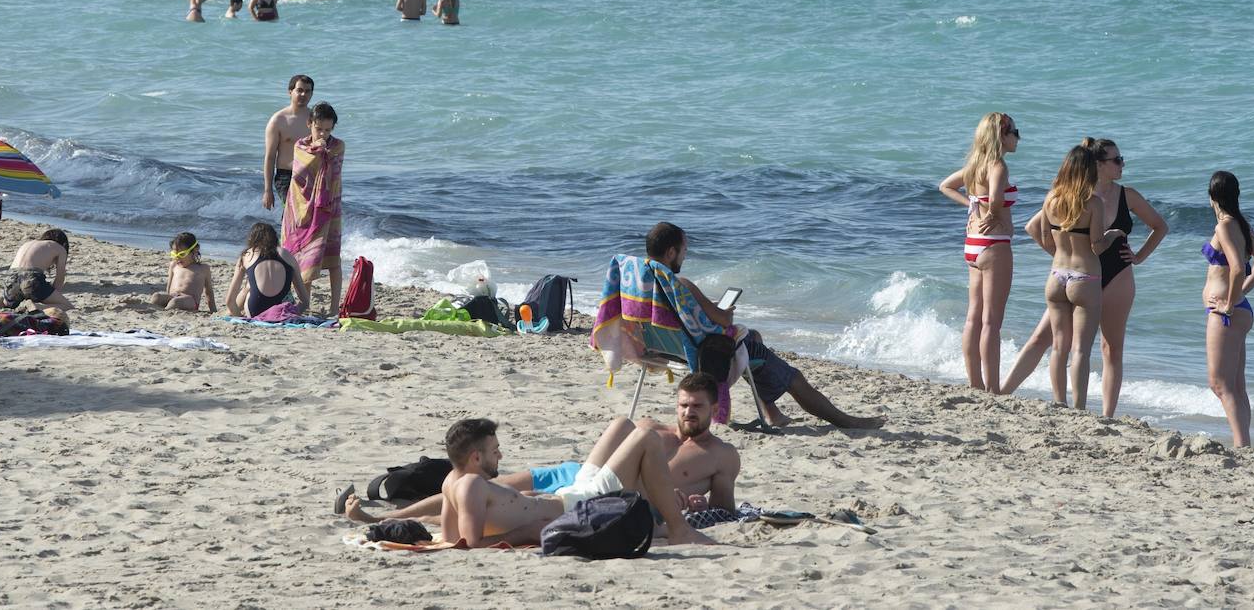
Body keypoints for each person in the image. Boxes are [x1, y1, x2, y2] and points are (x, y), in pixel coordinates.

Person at [344, 373, 741, 525]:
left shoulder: (721, 455)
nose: (688, 413)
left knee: (492, 500)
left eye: (697, 407)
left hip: (618, 493)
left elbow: (725, 509)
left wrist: (698, 507)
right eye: (683, 404)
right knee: (476, 486)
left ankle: (385, 520)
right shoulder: (651, 427)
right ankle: (395, 513)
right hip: (580, 474)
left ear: (714, 409)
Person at [646, 222, 886, 430]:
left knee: (756, 337)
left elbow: (687, 316)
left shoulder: (646, 282)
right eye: (684, 250)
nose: (685, 255)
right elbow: (723, 321)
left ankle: (772, 413)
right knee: (794, 377)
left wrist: (706, 306)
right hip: (710, 353)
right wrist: (724, 311)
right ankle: (847, 421)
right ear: (670, 252)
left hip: (671, 346)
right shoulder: (681, 284)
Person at [1001, 137, 1169, 416]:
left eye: (1121, 159)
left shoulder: (1126, 195)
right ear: (1098, 165)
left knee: (1111, 348)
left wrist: (1139, 257)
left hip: (1116, 275)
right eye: (1116, 160)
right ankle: (1002, 393)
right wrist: (1062, 255)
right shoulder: (1076, 195)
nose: (1122, 164)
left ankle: (1107, 415)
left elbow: (1160, 226)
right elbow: (1033, 227)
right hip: (1083, 275)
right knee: (1043, 339)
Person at [433, 417, 713, 548]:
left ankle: (661, 522)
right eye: (494, 452)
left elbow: (447, 539)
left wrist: (527, 499)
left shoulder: (452, 480)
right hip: (582, 506)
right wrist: (528, 531)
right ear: (475, 457)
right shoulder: (471, 485)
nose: (501, 456)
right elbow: (470, 544)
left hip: (569, 494)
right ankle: (679, 530)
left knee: (621, 424)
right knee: (646, 436)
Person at [1033, 145, 1126, 409]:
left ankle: (1059, 401)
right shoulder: (1092, 202)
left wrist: (1060, 252)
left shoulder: (1051, 198)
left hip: (1056, 275)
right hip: (1085, 278)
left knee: (1059, 347)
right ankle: (1079, 408)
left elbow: (1042, 237)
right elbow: (1097, 245)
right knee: (1081, 350)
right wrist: (1114, 235)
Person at [937, 112, 1020, 394]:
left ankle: (974, 382)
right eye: (1015, 132)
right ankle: (993, 388)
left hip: (972, 244)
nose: (1018, 137)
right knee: (992, 322)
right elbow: (997, 198)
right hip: (994, 244)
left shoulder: (975, 165)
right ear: (1002, 136)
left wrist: (971, 206)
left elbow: (945, 186)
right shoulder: (997, 165)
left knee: (974, 317)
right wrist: (993, 212)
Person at [1203, 171, 1254, 447]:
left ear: (1213, 198)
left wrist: (1229, 304)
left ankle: (1241, 443)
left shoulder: (1224, 226)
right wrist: (1240, 296)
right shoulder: (1242, 225)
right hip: (1240, 311)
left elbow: (1234, 268)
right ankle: (1244, 443)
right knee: (1236, 385)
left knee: (1220, 384)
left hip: (1226, 315)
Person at [281, 101, 344, 309]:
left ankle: (335, 307)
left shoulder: (338, 146)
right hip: (300, 209)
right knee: (302, 258)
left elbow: (332, 173)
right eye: (319, 129)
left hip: (328, 208)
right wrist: (317, 151)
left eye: (327, 130)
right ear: (310, 124)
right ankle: (305, 304)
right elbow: (299, 174)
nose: (323, 134)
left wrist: (323, 151)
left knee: (333, 258)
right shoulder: (300, 146)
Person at [224, 222, 310, 317]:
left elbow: (230, 301)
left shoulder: (247, 255)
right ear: (274, 238)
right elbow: (305, 302)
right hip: (284, 311)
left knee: (249, 286)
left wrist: (240, 317)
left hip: (255, 310)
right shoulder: (287, 255)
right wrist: (294, 312)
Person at [0, 228, 71, 312]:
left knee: (10, 301)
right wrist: (53, 296)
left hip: (10, 278)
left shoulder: (28, 243)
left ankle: (0, 302)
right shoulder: (60, 248)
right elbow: (60, 278)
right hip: (30, 278)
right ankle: (37, 306)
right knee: (67, 306)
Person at [262, 74, 314, 211]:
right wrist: (268, 190)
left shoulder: (315, 120)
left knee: (309, 217)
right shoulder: (278, 120)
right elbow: (270, 156)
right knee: (293, 212)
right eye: (300, 90)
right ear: (290, 92)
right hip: (286, 176)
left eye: (308, 91)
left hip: (310, 175)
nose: (303, 94)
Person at [149, 232, 216, 312]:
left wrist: (213, 310)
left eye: (182, 254)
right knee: (156, 296)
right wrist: (166, 298)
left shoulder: (203, 268)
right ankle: (151, 311)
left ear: (195, 250)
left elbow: (209, 291)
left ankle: (164, 312)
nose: (177, 258)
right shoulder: (173, 265)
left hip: (190, 300)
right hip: (172, 296)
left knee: (175, 302)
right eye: (174, 254)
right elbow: (169, 286)